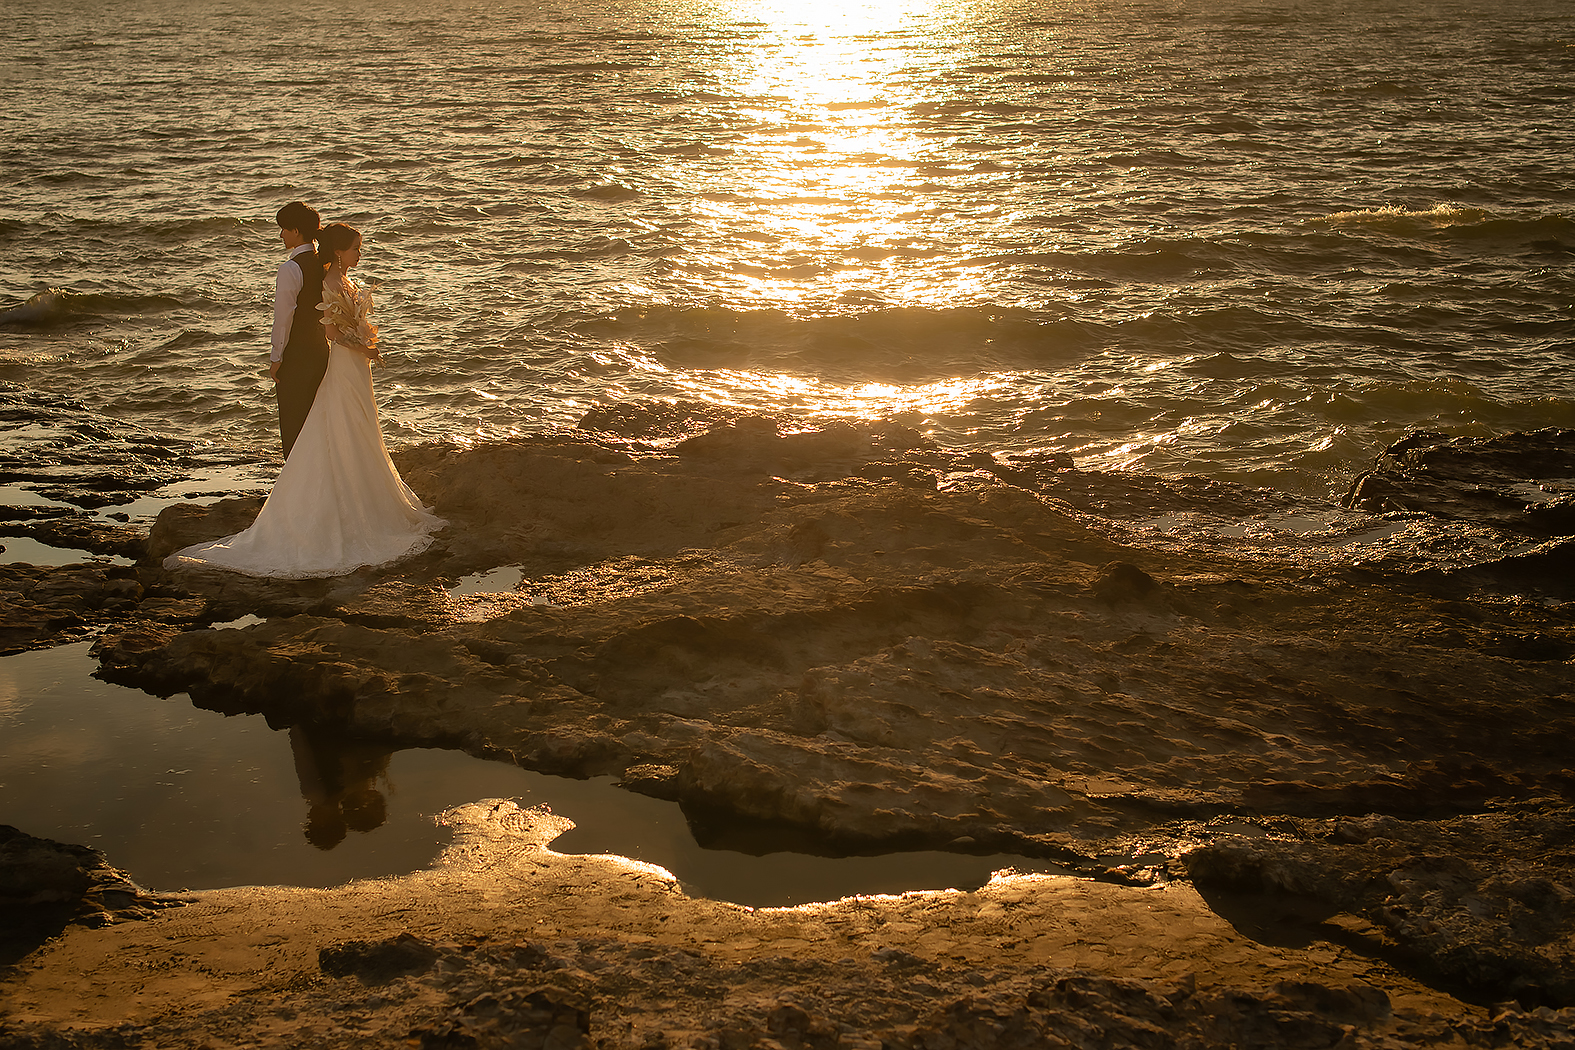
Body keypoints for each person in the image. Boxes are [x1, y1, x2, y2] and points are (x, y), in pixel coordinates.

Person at [165, 222, 445, 578]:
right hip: (345, 363)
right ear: (340, 251)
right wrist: (362, 346)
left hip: (356, 365)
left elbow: (348, 321)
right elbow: (330, 332)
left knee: (362, 425)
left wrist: (363, 341)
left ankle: (367, 491)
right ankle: (340, 502)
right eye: (356, 248)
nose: (360, 254)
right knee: (344, 424)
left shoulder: (344, 280)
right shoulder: (328, 281)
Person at [272, 202, 330, 459]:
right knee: (318, 418)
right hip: (322, 351)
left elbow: (283, 318)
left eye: (284, 229)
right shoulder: (325, 264)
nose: (281, 235)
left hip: (297, 355)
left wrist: (276, 358)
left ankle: (297, 484)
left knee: (295, 421)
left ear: (296, 231)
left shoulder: (290, 268)